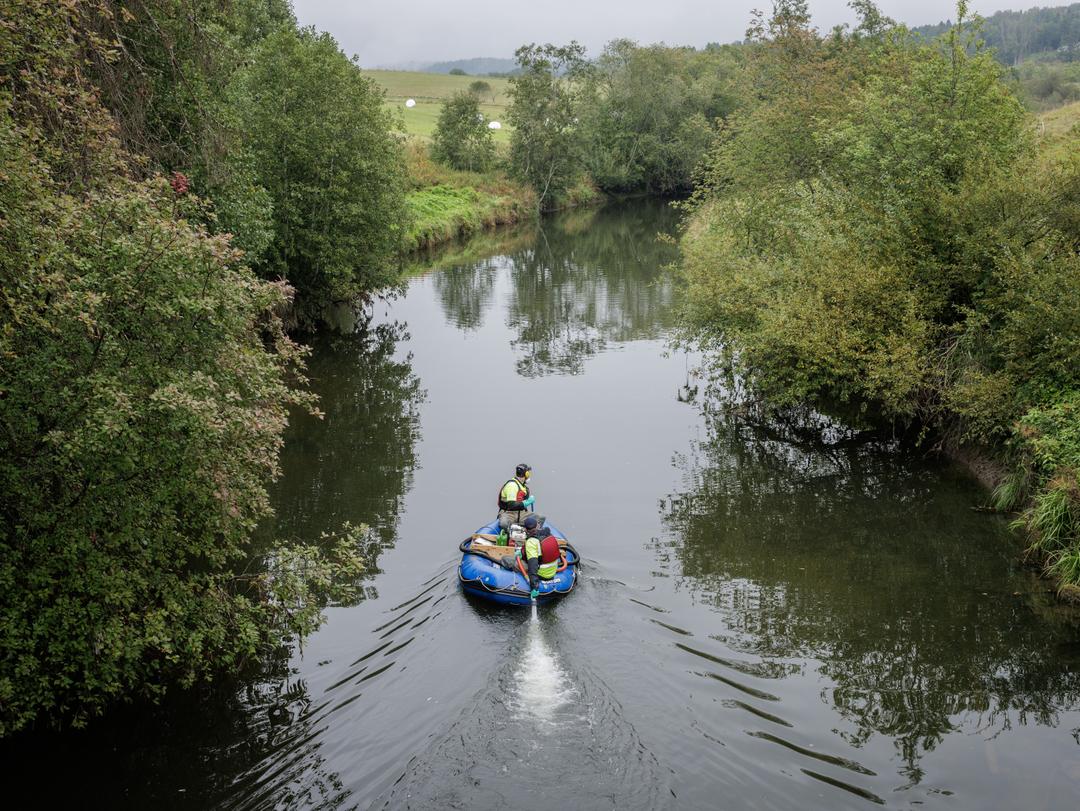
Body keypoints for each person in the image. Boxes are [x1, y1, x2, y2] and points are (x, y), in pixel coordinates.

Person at [522, 515, 561, 599]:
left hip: (541, 574)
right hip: (552, 571)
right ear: (538, 526)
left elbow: (533, 566)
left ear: (526, 530)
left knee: (507, 560)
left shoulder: (531, 542)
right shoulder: (548, 534)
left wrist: (534, 587)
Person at [497, 463, 536, 530]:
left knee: (540, 518)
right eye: (528, 473)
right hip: (508, 513)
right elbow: (511, 505)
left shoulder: (522, 486)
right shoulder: (512, 485)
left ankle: (530, 534)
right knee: (504, 524)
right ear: (526, 474)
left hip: (521, 513)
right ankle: (509, 535)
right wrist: (527, 502)